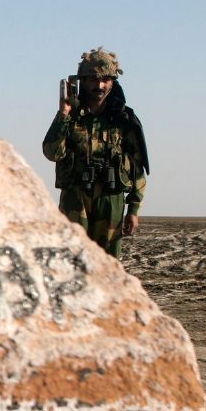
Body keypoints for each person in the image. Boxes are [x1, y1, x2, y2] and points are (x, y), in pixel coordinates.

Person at [43, 47, 149, 258]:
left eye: (105, 79)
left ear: (112, 82)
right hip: (76, 198)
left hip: (111, 199)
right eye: (92, 79)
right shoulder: (71, 117)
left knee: (109, 263)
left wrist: (134, 210)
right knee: (73, 259)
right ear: (83, 81)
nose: (99, 85)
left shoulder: (124, 119)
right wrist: (63, 115)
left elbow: (137, 167)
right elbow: (52, 153)